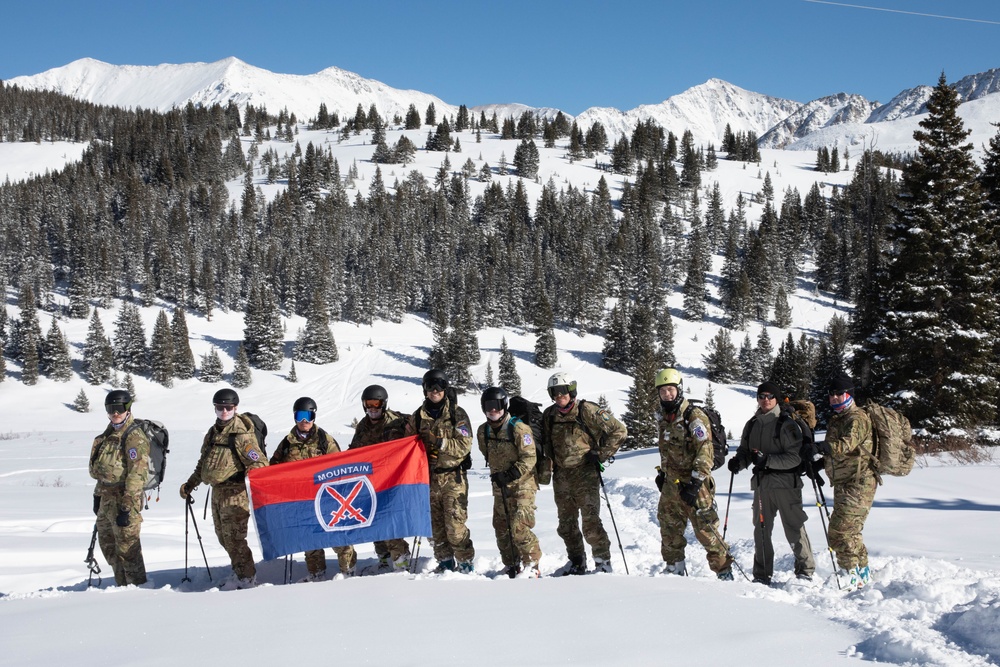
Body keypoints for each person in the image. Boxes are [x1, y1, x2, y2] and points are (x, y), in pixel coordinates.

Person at [179, 388, 267, 590]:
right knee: (223, 537)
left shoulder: (241, 435)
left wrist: (248, 477)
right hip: (218, 493)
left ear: (235, 408)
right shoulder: (213, 433)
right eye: (220, 407)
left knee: (234, 539)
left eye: (228, 407)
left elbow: (259, 463)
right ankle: (239, 572)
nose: (224, 411)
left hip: (235, 494)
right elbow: (204, 463)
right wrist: (191, 484)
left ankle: (247, 578)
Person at [729, 381, 816, 585]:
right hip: (762, 485)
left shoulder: (786, 424)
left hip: (787, 485)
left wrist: (766, 460)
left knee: (793, 527)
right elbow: (746, 451)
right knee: (761, 530)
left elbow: (795, 457)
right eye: (761, 396)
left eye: (770, 396)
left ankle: (805, 570)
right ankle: (761, 574)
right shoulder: (752, 424)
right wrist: (738, 462)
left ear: (776, 398)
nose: (765, 400)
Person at [542, 371, 626, 575]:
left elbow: (619, 431)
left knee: (590, 522)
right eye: (554, 393)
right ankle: (576, 561)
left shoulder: (587, 410)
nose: (559, 397)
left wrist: (600, 454)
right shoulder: (550, 415)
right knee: (566, 524)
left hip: (585, 474)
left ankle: (602, 562)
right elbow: (545, 443)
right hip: (562, 476)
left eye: (562, 392)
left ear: (571, 391)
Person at [653, 368, 734, 580]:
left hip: (695, 485)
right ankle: (674, 568)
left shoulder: (694, 416)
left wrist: (697, 483)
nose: (667, 395)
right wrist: (663, 472)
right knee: (669, 526)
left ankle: (724, 571)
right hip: (672, 483)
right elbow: (667, 449)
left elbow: (705, 451)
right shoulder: (664, 418)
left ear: (678, 389)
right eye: (663, 391)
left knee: (706, 531)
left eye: (671, 390)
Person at [269, 397, 356, 581]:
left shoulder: (325, 440)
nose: (304, 421)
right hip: (302, 501)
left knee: (339, 537)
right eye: (300, 416)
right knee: (310, 539)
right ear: (294, 417)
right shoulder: (286, 443)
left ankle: (348, 571)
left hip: (326, 498)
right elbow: (273, 470)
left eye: (308, 416)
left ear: (314, 416)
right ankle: (316, 574)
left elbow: (340, 467)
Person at [406, 369, 476, 573]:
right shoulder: (417, 418)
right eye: (430, 387)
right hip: (428, 479)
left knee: (455, 527)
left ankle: (465, 563)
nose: (434, 391)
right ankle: (444, 562)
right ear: (424, 390)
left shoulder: (457, 414)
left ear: (445, 389)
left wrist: (440, 443)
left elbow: (464, 445)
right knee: (434, 528)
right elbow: (408, 446)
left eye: (438, 386)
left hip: (453, 477)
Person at [345, 384, 411, 573]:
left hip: (393, 482)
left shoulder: (396, 422)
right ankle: (383, 560)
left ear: (384, 404)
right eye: (368, 404)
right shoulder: (363, 426)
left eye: (377, 404)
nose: (373, 409)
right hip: (372, 482)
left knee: (390, 523)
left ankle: (400, 561)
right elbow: (355, 451)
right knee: (374, 521)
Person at [477, 386, 542, 578]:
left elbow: (530, 458)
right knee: (501, 528)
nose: (493, 410)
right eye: (489, 406)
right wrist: (501, 477)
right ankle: (511, 564)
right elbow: (486, 452)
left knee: (519, 526)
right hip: (500, 487)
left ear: (504, 405)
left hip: (523, 485)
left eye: (497, 406)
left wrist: (512, 473)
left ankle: (532, 564)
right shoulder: (484, 431)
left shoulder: (519, 428)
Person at [88, 389, 150, 586]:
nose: (115, 413)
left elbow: (137, 474)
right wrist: (97, 497)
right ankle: (121, 588)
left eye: (119, 409)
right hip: (105, 499)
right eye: (111, 409)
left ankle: (138, 589)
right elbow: (101, 472)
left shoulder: (134, 438)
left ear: (128, 409)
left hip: (124, 500)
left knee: (128, 550)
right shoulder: (105, 438)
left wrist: (126, 507)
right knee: (109, 547)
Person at [821, 372, 877, 589]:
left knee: (839, 530)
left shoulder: (857, 418)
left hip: (859, 483)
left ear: (849, 394)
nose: (834, 397)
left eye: (839, 393)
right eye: (831, 394)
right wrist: (821, 462)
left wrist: (824, 448)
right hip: (845, 482)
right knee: (851, 530)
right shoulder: (839, 419)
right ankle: (863, 572)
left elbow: (847, 444)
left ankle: (849, 574)